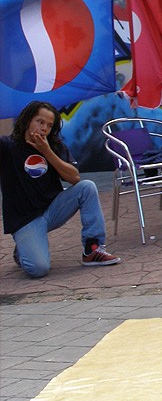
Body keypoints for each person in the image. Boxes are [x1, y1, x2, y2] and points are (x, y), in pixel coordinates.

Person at [1, 101, 120, 278]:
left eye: (49, 125)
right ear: (27, 121)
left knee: (87, 187)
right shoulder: (8, 146)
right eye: (40, 122)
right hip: (25, 220)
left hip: (53, 209)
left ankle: (92, 249)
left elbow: (74, 178)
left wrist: (47, 152)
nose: (44, 128)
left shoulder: (54, 146)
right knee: (39, 269)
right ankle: (23, 249)